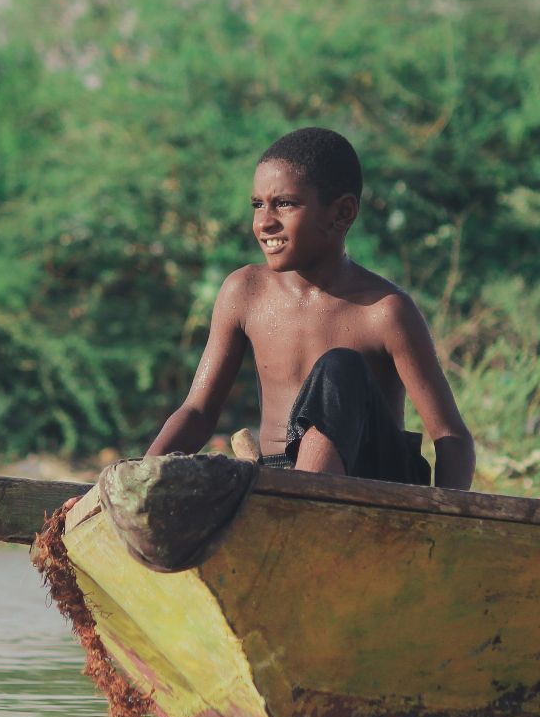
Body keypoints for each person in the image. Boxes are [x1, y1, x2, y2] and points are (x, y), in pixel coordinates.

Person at [144, 127, 475, 488]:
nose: (264, 222)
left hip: (372, 483)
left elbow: (450, 435)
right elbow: (197, 411)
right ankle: (299, 499)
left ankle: (304, 502)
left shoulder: (384, 310)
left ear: (342, 213)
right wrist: (137, 480)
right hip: (279, 479)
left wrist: (445, 519)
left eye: (284, 204)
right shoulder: (244, 292)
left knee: (339, 365)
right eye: (258, 204)